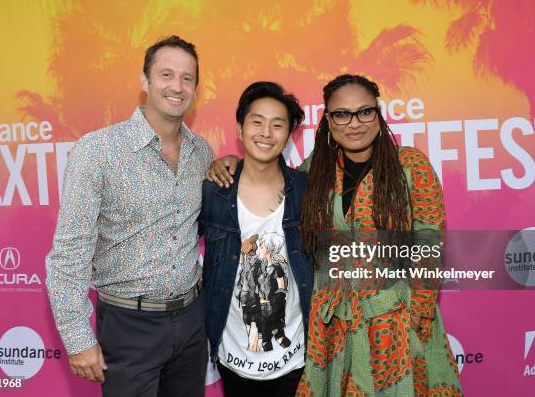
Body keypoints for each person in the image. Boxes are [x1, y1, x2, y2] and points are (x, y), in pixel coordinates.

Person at [207, 74, 463, 396]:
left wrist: (415, 318)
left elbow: (429, 246)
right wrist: (233, 164)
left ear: (378, 114)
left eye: (364, 112)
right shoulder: (317, 171)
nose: (354, 123)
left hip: (398, 328)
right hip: (334, 332)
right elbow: (270, 175)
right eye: (342, 114)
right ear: (328, 119)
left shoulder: (411, 167)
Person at [46, 35, 214, 397]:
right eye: (166, 74)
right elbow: (69, 253)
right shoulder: (98, 151)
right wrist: (77, 338)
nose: (177, 86)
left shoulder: (202, 152)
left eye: (187, 78)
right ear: (145, 81)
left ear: (196, 88)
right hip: (127, 326)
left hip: (191, 320)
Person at [199, 82, 314, 396]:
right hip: (232, 359)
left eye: (278, 125)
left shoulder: (307, 191)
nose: (266, 132)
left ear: (289, 134)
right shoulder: (213, 191)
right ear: (239, 128)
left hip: (296, 361)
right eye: (257, 122)